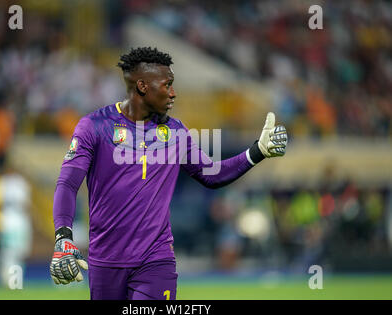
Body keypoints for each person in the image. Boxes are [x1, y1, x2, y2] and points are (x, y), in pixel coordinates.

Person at [50, 47, 288, 300]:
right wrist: (63, 237)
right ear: (142, 86)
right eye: (167, 85)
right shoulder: (94, 126)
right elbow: (67, 184)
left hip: (156, 259)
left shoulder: (176, 131)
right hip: (105, 260)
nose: (173, 93)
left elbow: (211, 174)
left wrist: (257, 151)